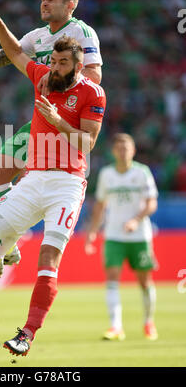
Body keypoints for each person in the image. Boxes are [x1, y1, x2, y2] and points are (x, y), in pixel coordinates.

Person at [0, 0, 106, 357]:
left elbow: (89, 141)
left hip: (67, 184)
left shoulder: (92, 93)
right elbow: (15, 52)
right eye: (52, 60)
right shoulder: (41, 78)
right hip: (34, 179)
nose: (54, 67)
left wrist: (58, 120)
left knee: (48, 259)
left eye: (62, 62)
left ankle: (27, 334)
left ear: (79, 66)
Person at [84, 133, 158, 341]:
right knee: (112, 279)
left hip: (139, 236)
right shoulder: (107, 174)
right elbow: (100, 205)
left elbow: (152, 202)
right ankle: (116, 327)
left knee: (145, 282)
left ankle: (148, 322)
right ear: (114, 151)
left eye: (126, 147)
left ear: (133, 151)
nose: (123, 151)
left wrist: (136, 219)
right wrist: (91, 231)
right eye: (119, 148)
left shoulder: (142, 172)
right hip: (114, 235)